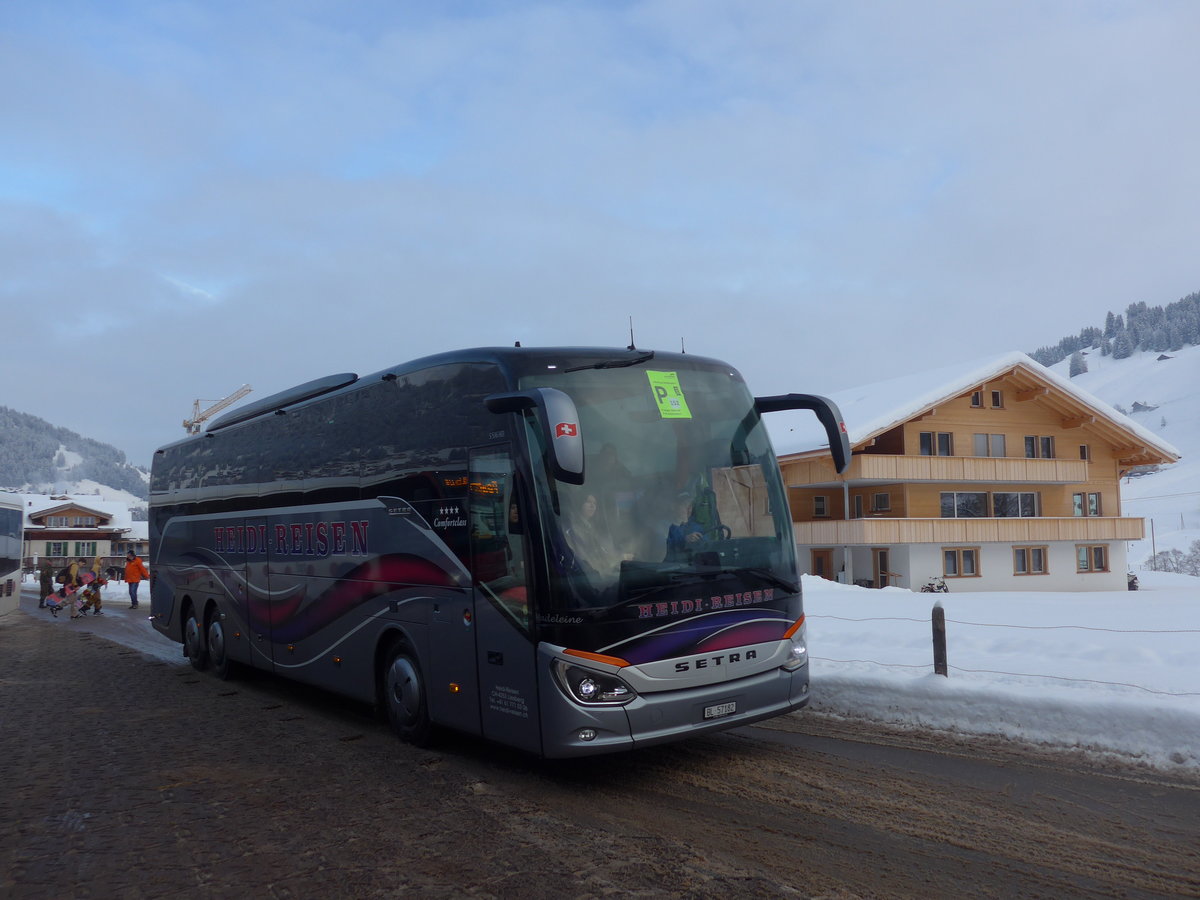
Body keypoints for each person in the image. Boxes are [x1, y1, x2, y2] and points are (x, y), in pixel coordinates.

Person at [665, 493, 705, 562]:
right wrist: (684, 540)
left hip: (697, 567)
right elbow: (666, 545)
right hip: (673, 567)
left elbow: (708, 543)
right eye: (685, 505)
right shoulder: (667, 525)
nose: (688, 509)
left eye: (690, 506)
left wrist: (700, 541)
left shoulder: (696, 526)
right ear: (675, 507)